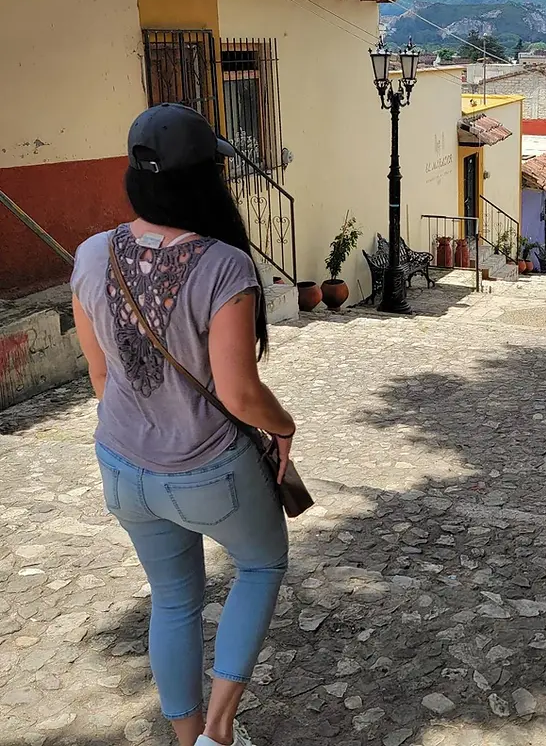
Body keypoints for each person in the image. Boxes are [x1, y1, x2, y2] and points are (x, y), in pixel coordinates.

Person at [71, 104, 296, 746]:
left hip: (121, 467)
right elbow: (240, 392)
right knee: (260, 565)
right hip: (204, 469)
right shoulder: (223, 265)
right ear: (207, 182)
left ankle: (186, 738)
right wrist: (284, 427)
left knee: (173, 601)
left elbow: (100, 379)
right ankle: (219, 731)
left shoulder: (91, 255)